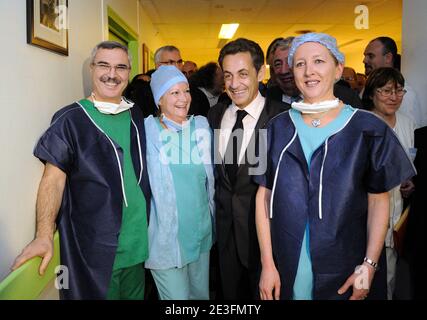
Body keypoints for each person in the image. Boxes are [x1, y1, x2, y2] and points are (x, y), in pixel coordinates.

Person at [254, 33, 415, 300]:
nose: (309, 71)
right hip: (286, 266)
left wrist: (369, 265)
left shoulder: (368, 129)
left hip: (345, 267)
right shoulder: (273, 129)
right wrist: (268, 264)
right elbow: (263, 199)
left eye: (319, 61)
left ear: (338, 68)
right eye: (300, 64)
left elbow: (379, 201)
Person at [12, 41, 151, 299]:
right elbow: (53, 181)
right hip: (96, 255)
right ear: (91, 69)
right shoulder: (70, 120)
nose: (112, 74)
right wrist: (43, 235)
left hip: (137, 248)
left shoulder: (136, 114)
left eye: (121, 67)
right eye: (104, 65)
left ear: (130, 71)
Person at [207, 38, 287, 299]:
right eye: (228, 75)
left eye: (243, 74)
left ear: (261, 73)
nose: (234, 84)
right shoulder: (215, 115)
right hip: (225, 241)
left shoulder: (282, 118)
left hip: (268, 245)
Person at [144, 65, 215, 300]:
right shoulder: (146, 131)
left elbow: (210, 183)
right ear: (159, 100)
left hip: (200, 235)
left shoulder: (201, 126)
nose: (183, 98)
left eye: (186, 91)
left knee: (200, 297)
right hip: (165, 241)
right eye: (174, 93)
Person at [362, 67, 416, 299]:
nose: (393, 97)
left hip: (399, 213)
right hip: (368, 212)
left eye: (398, 91)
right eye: (386, 91)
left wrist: (411, 182)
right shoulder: (362, 123)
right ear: (372, 93)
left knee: (392, 276)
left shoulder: (409, 123)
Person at [363, 37, 426, 128]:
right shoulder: (367, 88)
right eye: (386, 91)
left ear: (388, 58)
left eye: (370, 56)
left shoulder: (405, 96)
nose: (364, 60)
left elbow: (409, 134)